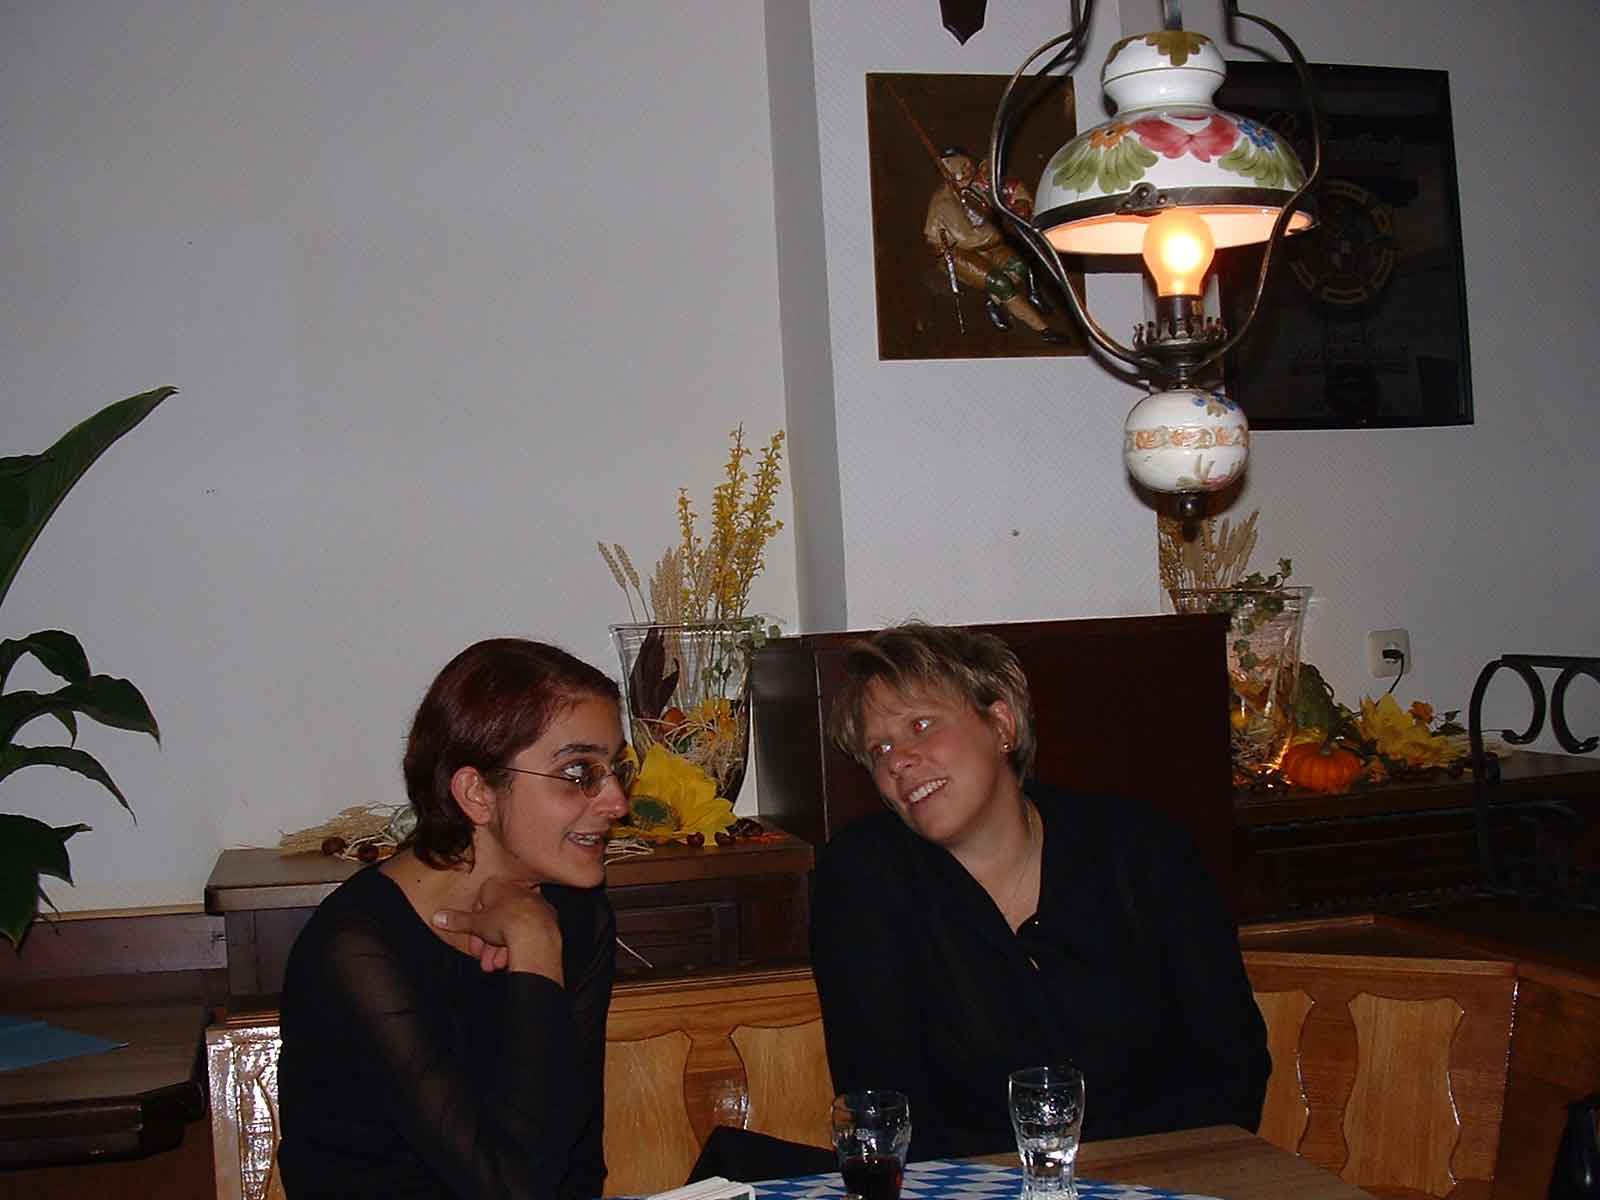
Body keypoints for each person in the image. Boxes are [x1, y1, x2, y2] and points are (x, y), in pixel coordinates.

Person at [810, 623, 1269, 1161]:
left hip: (1161, 1178)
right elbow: (884, 1108)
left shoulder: (1141, 850)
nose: (897, 761)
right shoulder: (863, 878)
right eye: (879, 748)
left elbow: (1232, 1067)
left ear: (1001, 723)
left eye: (921, 724)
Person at [277, 638, 629, 1199]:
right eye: (578, 772)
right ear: (476, 793)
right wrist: (536, 947)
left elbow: (578, 1166)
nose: (616, 802)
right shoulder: (355, 948)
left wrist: (539, 938)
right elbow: (510, 1188)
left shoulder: (578, 912)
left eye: (615, 769)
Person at [922, 149, 1060, 339]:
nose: (969, 169)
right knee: (1001, 283)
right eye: (962, 167)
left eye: (968, 164)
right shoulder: (945, 202)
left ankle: (994, 301)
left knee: (1019, 265)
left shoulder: (972, 191)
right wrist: (1002, 228)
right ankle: (1043, 329)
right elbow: (970, 239)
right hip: (957, 252)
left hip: (986, 246)